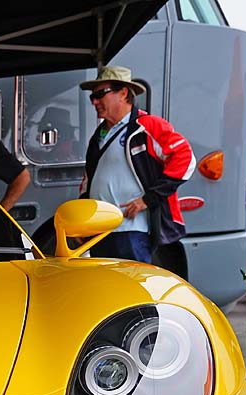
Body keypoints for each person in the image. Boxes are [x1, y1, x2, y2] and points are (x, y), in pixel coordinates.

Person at [80, 66, 195, 267]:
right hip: (100, 230)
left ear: (123, 93)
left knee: (134, 290)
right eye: (92, 97)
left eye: (100, 94)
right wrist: (83, 221)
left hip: (132, 229)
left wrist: (148, 199)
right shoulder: (98, 135)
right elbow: (89, 180)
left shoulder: (148, 125)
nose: (95, 101)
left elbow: (185, 158)